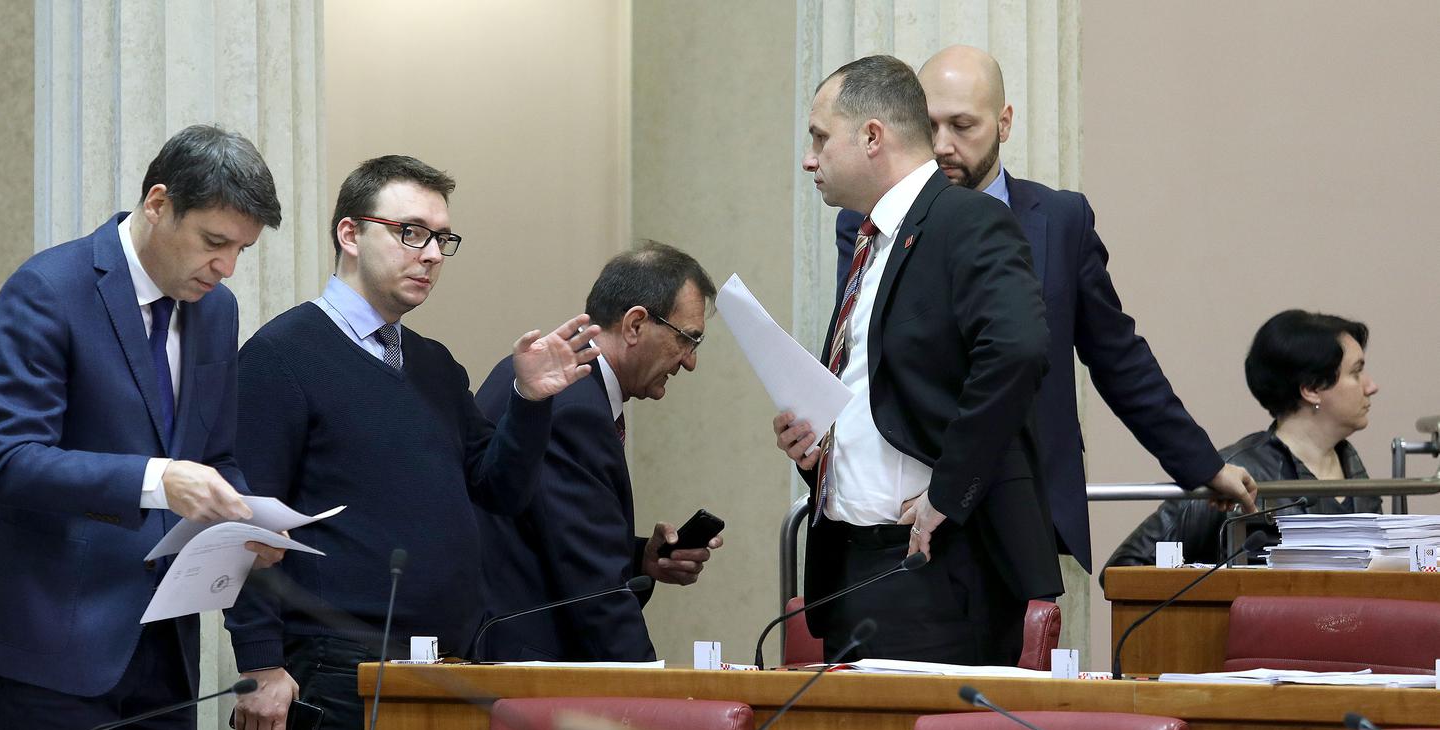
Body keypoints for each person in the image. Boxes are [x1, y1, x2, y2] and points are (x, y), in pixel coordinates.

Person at [226, 155, 600, 730]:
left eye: (441, 239)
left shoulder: (433, 365)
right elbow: (246, 518)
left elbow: (499, 490)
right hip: (339, 665)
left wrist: (530, 402)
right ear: (351, 234)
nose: (430, 255)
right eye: (410, 233)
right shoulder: (280, 356)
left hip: (449, 660)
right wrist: (261, 662)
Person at [834, 45, 1257, 572]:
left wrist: (1202, 465)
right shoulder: (869, 222)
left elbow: (1118, 356)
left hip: (1031, 506)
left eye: (963, 125)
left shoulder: (1059, 220)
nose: (942, 145)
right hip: (907, 510)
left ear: (1004, 122)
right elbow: (857, 357)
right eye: (930, 125)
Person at [0, 124, 284, 730]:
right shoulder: (48, 289)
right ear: (159, 204)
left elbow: (215, 457)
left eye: (242, 249)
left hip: (164, 648)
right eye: (214, 242)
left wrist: (247, 521)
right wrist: (158, 480)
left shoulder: (217, 311)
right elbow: (8, 459)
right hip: (50, 639)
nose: (226, 268)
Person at [774, 55, 1061, 665]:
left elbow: (1016, 351)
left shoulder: (970, 220)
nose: (809, 159)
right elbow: (883, 386)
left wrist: (948, 493)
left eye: (820, 137)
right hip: (849, 563)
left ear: (872, 137)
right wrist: (821, 447)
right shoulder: (867, 239)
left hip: (936, 567)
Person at [474, 242, 723, 661]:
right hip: (528, 668)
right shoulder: (573, 406)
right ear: (635, 324)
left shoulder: (551, 381)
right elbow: (593, 592)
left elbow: (549, 532)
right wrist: (653, 690)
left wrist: (641, 557)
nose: (689, 361)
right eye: (687, 339)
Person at [1107, 310, 1380, 567]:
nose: (1371, 387)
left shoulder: (1355, 470)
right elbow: (1127, 565)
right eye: (1356, 373)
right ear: (1312, 389)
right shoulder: (1237, 473)